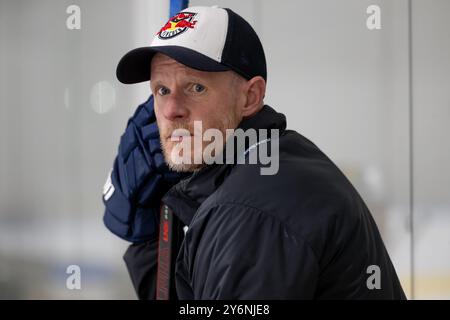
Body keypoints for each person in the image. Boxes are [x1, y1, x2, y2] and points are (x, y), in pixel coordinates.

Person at [103, 6, 406, 299]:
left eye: (196, 88)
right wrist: (151, 240)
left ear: (250, 97)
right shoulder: (266, 168)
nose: (171, 110)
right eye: (161, 90)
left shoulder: (249, 210)